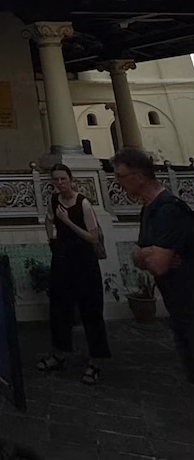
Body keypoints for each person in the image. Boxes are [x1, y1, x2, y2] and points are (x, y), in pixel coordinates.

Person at [114, 146, 194, 383]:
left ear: (139, 176)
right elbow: (138, 257)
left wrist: (150, 255)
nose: (117, 183)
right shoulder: (149, 209)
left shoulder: (170, 209)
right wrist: (149, 253)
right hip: (177, 307)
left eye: (120, 176)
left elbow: (157, 265)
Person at [37, 164, 111, 385]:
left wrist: (68, 221)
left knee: (91, 310)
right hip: (63, 259)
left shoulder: (83, 204)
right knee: (59, 307)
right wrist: (52, 240)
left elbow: (93, 238)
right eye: (55, 180)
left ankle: (95, 361)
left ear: (71, 179)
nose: (59, 183)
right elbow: (49, 220)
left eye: (62, 179)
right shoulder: (53, 200)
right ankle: (59, 353)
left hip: (84, 261)